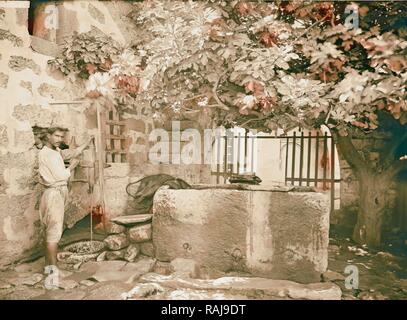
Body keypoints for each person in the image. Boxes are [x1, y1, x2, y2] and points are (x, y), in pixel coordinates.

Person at [38, 127, 94, 272]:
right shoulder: (48, 154)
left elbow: (70, 153)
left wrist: (86, 143)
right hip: (54, 193)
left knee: (51, 231)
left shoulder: (55, 152)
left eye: (61, 137)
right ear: (48, 135)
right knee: (54, 232)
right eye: (56, 136)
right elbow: (61, 176)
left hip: (54, 192)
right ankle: (53, 271)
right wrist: (73, 167)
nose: (59, 139)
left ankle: (48, 266)